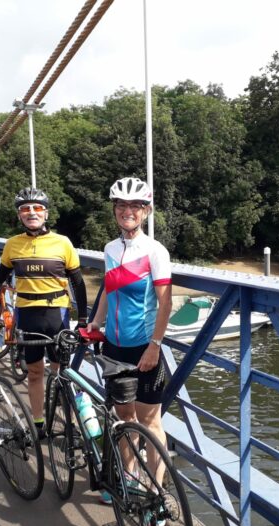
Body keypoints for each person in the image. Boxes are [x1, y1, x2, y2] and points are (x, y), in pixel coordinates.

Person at [0, 188, 87, 435]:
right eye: (25, 209)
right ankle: (38, 424)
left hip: (57, 315)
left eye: (37, 208)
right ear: (19, 215)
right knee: (35, 372)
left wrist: (82, 320)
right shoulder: (13, 244)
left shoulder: (63, 243)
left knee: (62, 374)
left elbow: (78, 283)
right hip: (28, 315)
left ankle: (70, 426)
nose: (31, 213)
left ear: (46, 213)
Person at [87, 177, 172, 508]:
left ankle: (157, 494)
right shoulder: (110, 249)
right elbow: (109, 290)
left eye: (135, 206)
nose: (127, 211)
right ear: (114, 210)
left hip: (143, 347)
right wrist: (96, 322)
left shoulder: (155, 251)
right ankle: (129, 478)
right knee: (125, 419)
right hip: (113, 347)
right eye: (121, 205)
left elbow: (165, 303)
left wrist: (155, 344)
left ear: (146, 211)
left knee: (150, 421)